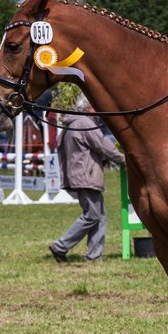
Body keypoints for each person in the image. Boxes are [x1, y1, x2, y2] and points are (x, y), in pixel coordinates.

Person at [49, 94, 125, 262]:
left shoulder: (71, 124)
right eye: (94, 107)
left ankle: (94, 256)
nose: (97, 111)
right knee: (92, 215)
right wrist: (123, 159)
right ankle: (60, 245)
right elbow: (103, 145)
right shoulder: (84, 124)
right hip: (86, 175)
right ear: (87, 108)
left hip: (77, 175)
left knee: (100, 215)